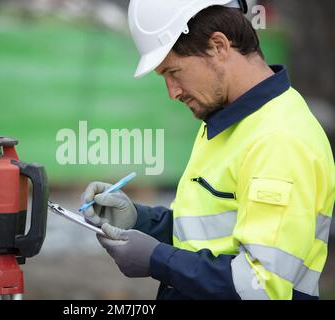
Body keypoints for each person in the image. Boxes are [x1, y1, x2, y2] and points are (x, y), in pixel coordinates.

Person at [82, 0, 335, 300]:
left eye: (174, 72)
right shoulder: (227, 121)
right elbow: (207, 237)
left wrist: (157, 260)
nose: (172, 91)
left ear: (218, 46)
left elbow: (261, 287)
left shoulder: (278, 139)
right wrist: (140, 221)